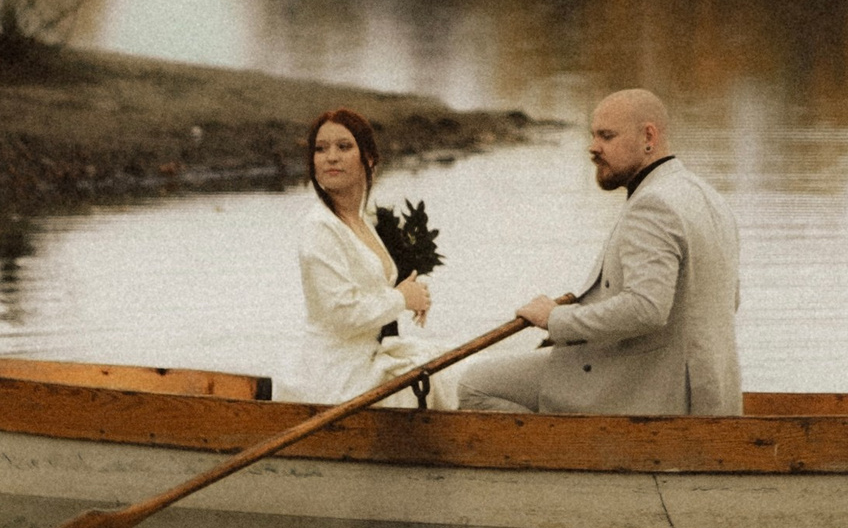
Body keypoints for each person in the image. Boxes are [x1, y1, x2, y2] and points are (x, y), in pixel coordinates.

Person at [458, 87, 741, 415]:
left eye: (607, 136)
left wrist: (556, 319)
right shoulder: (709, 197)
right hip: (710, 394)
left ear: (648, 136)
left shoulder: (654, 204)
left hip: (651, 392)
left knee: (474, 384)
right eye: (594, 135)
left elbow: (646, 308)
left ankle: (568, 456)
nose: (593, 148)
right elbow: (729, 301)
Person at [290, 108, 438, 406]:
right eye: (321, 149)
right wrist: (401, 299)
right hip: (337, 377)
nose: (331, 157)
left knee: (458, 364)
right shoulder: (319, 228)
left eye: (344, 147)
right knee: (445, 381)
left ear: (368, 158)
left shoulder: (360, 221)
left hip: (367, 358)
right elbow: (343, 315)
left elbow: (371, 293)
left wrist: (414, 293)